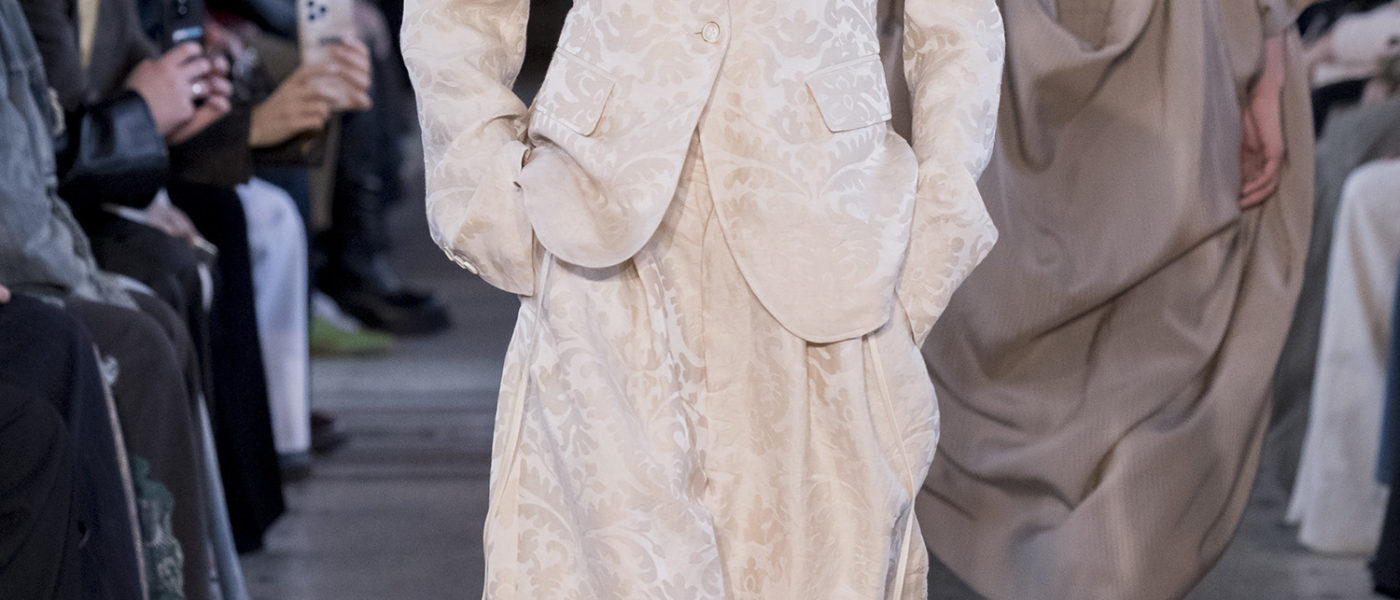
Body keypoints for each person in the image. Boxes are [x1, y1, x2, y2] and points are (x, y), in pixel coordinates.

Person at [403, 0, 1004, 596]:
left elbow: (959, 25)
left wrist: (937, 229)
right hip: (599, 223)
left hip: (827, 235)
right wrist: (485, 189)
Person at [912, 1, 1317, 599]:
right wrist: (1270, 47)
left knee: (1151, 367)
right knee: (1157, 370)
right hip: (1139, 65)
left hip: (1126, 59)